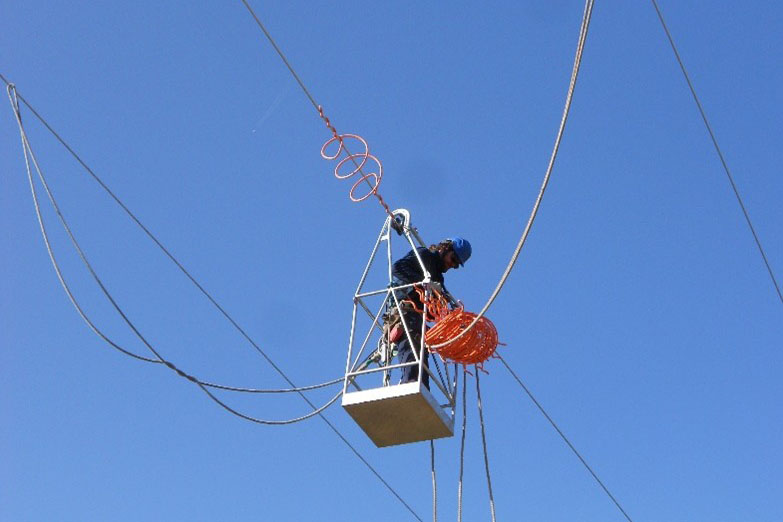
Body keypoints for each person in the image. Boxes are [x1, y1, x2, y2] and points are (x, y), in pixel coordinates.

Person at [390, 237, 471, 389]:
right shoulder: (424, 255)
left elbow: (434, 312)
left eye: (456, 265)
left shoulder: (438, 278)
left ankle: (421, 387)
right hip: (405, 309)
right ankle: (412, 384)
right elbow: (398, 268)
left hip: (418, 316)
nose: (451, 265)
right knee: (412, 343)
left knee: (422, 349)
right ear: (445, 248)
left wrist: (453, 320)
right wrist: (423, 283)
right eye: (453, 259)